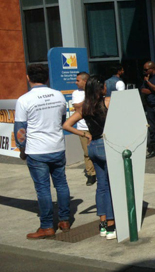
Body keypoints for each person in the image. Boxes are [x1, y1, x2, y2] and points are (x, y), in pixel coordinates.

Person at [14, 64, 72, 239]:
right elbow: (62, 120)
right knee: (61, 184)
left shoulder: (24, 100)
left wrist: (22, 149)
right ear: (47, 78)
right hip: (57, 147)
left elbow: (20, 130)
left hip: (37, 150)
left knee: (43, 189)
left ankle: (47, 226)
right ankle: (65, 220)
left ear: (28, 78)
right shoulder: (59, 95)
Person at [63, 75, 117, 240]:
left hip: (92, 146)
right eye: (104, 85)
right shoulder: (108, 102)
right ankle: (110, 225)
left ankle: (101, 225)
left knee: (101, 186)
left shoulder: (84, 107)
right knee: (110, 187)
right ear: (100, 89)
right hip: (106, 145)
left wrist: (84, 133)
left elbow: (65, 125)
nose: (106, 88)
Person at [72, 72, 96, 186]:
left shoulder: (95, 90)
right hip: (83, 128)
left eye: (78, 80)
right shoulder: (76, 93)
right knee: (87, 152)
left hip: (96, 126)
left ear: (85, 81)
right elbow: (77, 107)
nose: (76, 82)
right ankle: (91, 174)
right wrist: (89, 97)